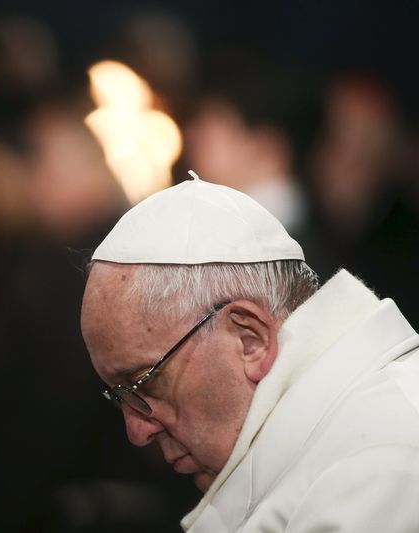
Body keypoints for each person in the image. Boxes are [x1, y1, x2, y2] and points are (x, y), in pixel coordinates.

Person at [80, 172, 419, 532]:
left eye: (145, 384)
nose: (137, 431)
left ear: (250, 340)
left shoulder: (384, 459)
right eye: (120, 397)